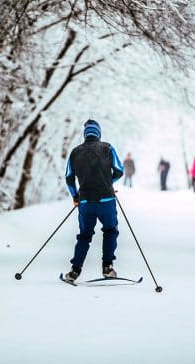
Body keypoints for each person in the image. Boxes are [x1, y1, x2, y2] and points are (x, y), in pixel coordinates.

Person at [64, 120, 124, 282]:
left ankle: (75, 270)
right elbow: (120, 170)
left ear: (85, 134)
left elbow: (69, 178)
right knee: (110, 231)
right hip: (107, 200)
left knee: (84, 235)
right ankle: (108, 267)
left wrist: (75, 197)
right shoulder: (107, 148)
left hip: (85, 202)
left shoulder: (75, 152)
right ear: (99, 133)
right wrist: (108, 183)